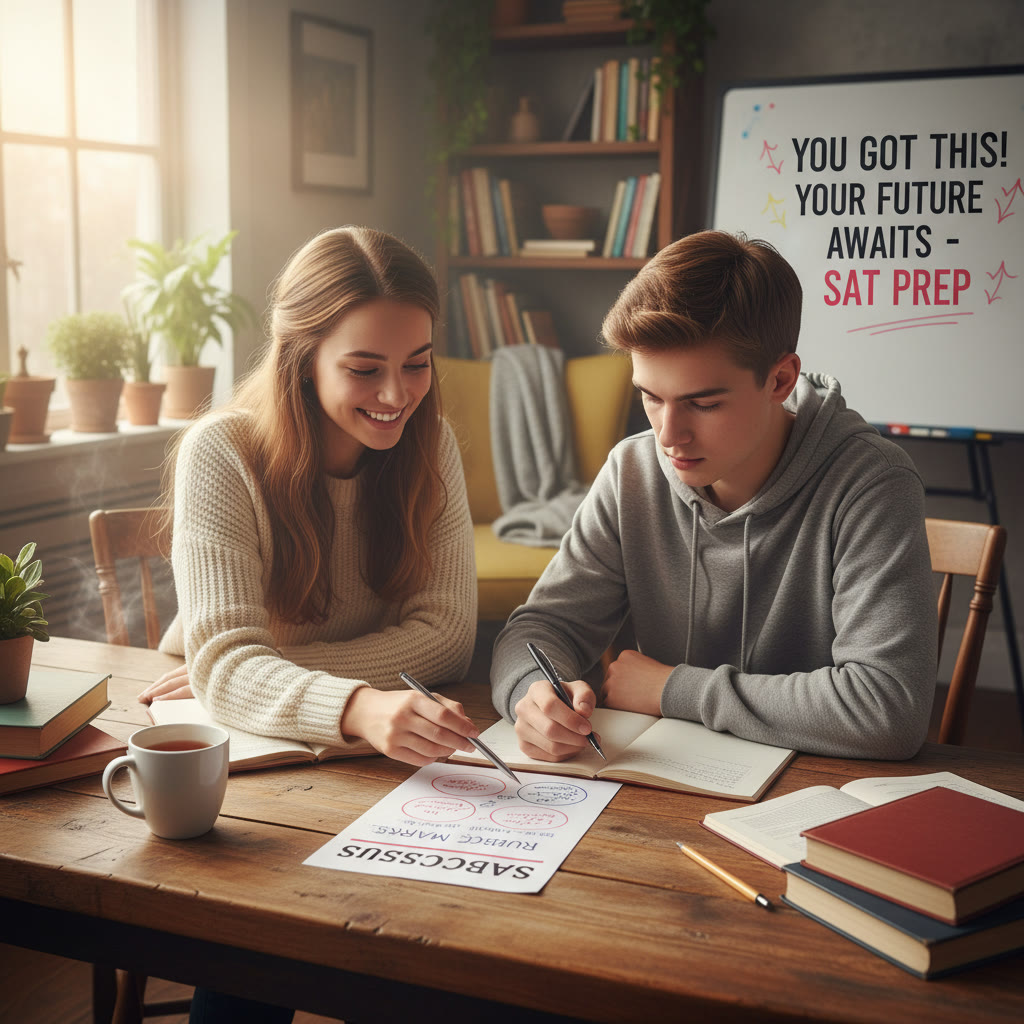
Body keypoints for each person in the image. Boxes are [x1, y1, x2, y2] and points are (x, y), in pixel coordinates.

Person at [138, 227, 480, 1023]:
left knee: (448, 946)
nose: (398, 394)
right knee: (253, 949)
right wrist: (351, 702)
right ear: (301, 357)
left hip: (350, 754)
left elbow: (450, 634)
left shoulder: (431, 446)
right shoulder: (219, 454)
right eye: (364, 368)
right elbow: (224, 670)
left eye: (418, 362)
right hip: (260, 767)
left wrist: (273, 669)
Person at [491, 229, 937, 764]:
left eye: (702, 404)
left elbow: (887, 709)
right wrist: (531, 696)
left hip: (813, 791)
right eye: (650, 398)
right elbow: (543, 629)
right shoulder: (632, 470)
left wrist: (672, 690)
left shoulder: (871, 483)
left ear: (779, 379)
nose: (668, 435)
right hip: (660, 791)